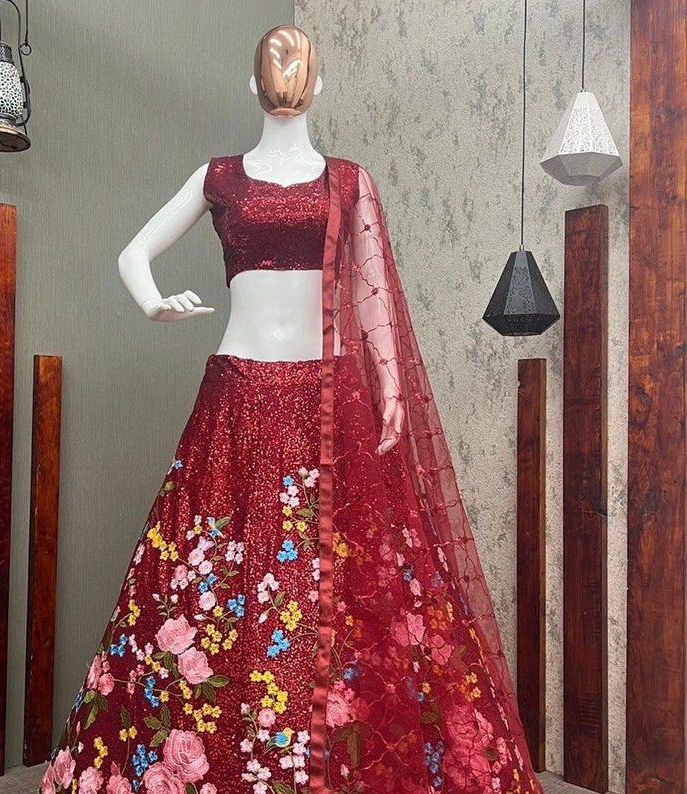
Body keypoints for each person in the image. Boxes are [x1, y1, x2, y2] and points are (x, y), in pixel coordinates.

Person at [39, 24, 546, 794]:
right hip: (236, 399)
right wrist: (152, 302)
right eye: (273, 71)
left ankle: (328, 760)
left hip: (327, 400)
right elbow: (134, 252)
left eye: (298, 69)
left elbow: (372, 295)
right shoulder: (218, 177)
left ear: (319, 85)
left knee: (344, 578)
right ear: (253, 86)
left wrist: (390, 389)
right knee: (214, 571)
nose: (284, 80)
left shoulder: (350, 182)